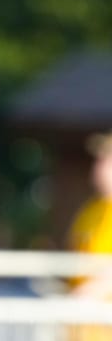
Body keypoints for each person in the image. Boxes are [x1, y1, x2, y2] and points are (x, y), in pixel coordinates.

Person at [67, 130, 112, 341]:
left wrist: (83, 297)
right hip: (83, 329)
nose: (99, 167)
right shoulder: (91, 211)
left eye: (107, 160)